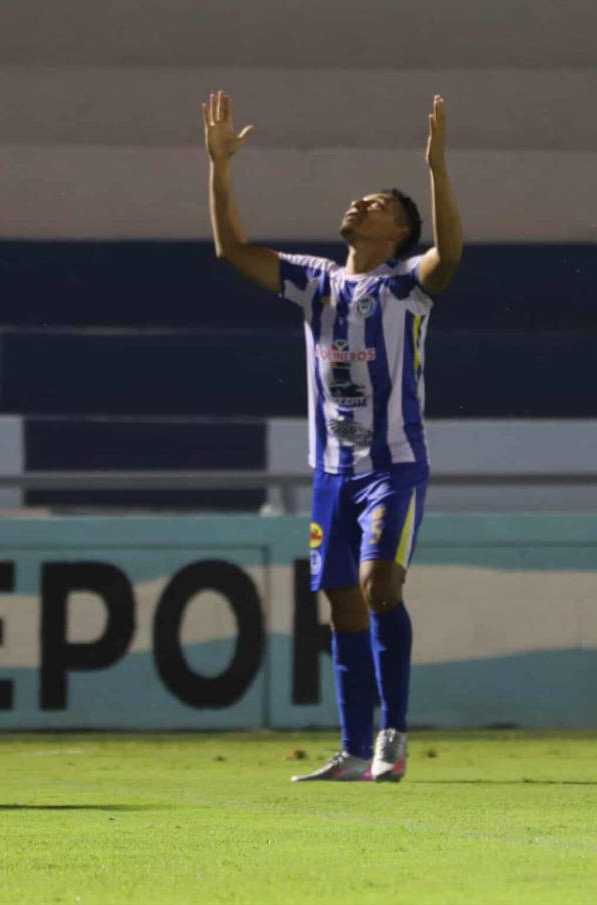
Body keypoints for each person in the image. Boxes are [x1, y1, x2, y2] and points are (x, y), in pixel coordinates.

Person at [203, 90, 462, 782]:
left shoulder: (406, 284)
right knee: (343, 600)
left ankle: (393, 734)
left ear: (400, 231)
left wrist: (436, 170)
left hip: (394, 465)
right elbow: (231, 249)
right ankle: (351, 749)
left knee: (381, 587)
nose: (359, 205)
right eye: (360, 200)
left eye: (377, 204)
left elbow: (453, 252)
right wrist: (220, 167)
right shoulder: (315, 282)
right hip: (330, 470)